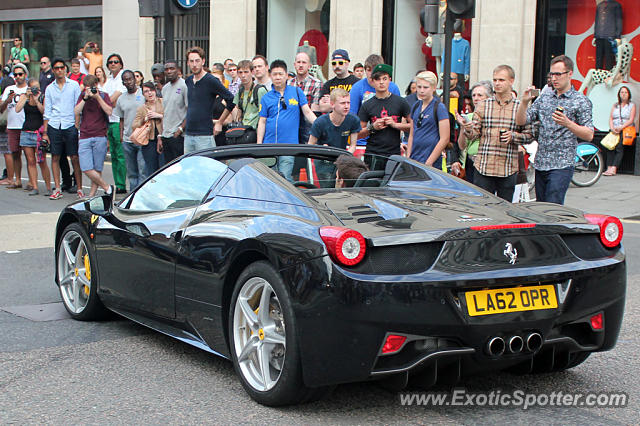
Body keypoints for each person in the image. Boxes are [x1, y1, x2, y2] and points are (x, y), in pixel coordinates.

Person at [516, 55, 594, 205]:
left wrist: (568, 123)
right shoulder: (545, 98)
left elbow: (589, 134)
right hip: (541, 162)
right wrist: (524, 102)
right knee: (541, 207)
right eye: (552, 74)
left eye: (558, 74)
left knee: (553, 206)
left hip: (562, 163)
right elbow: (521, 121)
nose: (554, 78)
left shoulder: (580, 101)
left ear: (570, 74)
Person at [463, 64, 533, 202]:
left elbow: (529, 135)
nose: (497, 83)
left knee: (504, 211)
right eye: (495, 80)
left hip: (507, 167)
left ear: (511, 81)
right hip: (483, 166)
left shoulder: (519, 106)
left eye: (501, 80)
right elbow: (474, 135)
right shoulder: (484, 105)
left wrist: (513, 136)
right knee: (483, 208)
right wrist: (467, 127)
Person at [257, 59, 316, 180]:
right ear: (270, 75)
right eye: (275, 74)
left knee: (285, 178)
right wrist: (259, 144)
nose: (278, 77)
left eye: (281, 74)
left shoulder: (296, 92)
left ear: (286, 75)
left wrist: (320, 125)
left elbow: (308, 112)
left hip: (289, 145)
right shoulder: (266, 97)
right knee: (270, 179)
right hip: (269, 145)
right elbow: (262, 121)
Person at [357, 64, 411, 171]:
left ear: (389, 80)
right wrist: (372, 127)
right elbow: (357, 133)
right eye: (378, 79)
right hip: (373, 154)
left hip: (394, 155)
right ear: (372, 81)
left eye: (384, 78)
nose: (381, 82)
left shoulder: (400, 102)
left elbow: (414, 126)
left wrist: (395, 125)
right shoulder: (367, 105)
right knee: (372, 185)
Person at [42, 58, 82, 200]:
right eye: (56, 68)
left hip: (70, 124)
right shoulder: (49, 88)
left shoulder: (74, 85)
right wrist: (45, 133)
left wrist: (76, 127)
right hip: (54, 124)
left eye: (61, 68)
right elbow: (47, 111)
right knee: (55, 157)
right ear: (53, 70)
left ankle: (80, 188)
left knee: (75, 157)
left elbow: (78, 107)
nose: (59, 70)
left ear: (66, 69)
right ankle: (57, 188)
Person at [184, 46, 235, 153]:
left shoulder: (211, 80)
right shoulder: (188, 81)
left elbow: (231, 99)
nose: (194, 64)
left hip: (204, 135)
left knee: (206, 167)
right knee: (189, 168)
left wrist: (220, 122)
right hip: (188, 134)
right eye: (191, 61)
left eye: (197, 61)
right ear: (188, 63)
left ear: (203, 61)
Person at [73, 74, 113, 197]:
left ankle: (92, 195)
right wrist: (85, 98)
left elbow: (109, 111)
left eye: (91, 87)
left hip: (100, 135)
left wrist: (97, 97)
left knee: (97, 168)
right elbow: (76, 112)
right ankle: (107, 187)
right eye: (86, 87)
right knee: (85, 167)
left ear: (96, 85)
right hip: (85, 135)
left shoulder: (103, 96)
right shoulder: (82, 96)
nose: (89, 90)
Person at [15, 79, 52, 195]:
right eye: (33, 88)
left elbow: (44, 112)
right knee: (30, 161)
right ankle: (35, 186)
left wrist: (36, 100)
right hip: (26, 131)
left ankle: (48, 187)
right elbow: (17, 109)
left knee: (42, 161)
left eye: (37, 88)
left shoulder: (42, 97)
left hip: (38, 133)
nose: (36, 90)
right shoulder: (24, 97)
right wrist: (26, 96)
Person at [406, 71, 450, 168]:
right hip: (414, 158)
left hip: (431, 160)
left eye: (425, 87)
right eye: (419, 87)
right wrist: (408, 156)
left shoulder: (439, 107)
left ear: (434, 88)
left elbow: (445, 138)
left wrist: (429, 162)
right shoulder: (416, 106)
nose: (421, 91)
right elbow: (412, 134)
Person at [114, 70, 145, 191]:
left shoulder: (143, 94)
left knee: (142, 170)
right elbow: (121, 119)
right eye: (125, 80)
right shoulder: (121, 99)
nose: (128, 82)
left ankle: (141, 196)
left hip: (141, 139)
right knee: (132, 173)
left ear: (135, 79)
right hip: (127, 140)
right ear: (123, 82)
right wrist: (121, 136)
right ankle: (132, 196)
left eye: (130, 79)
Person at [456, 80, 493, 182]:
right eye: (474, 95)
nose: (476, 98)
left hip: (488, 162)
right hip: (471, 162)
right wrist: (463, 127)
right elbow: (462, 146)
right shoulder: (468, 117)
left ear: (489, 97)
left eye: (480, 95)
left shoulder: (493, 116)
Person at [0, 63, 29, 189]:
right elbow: (1, 109)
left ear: (25, 75)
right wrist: (7, 100)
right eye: (15, 74)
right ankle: (17, 180)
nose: (18, 77)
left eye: (20, 74)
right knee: (15, 154)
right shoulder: (8, 89)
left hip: (26, 126)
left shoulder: (28, 89)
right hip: (12, 126)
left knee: (29, 156)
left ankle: (31, 181)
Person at [103, 53, 127, 193]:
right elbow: (105, 97)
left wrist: (106, 102)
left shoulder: (122, 78)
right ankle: (118, 183)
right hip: (109, 120)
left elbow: (112, 99)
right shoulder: (109, 80)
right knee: (113, 154)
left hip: (118, 120)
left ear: (121, 64)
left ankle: (122, 185)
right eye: (110, 62)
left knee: (120, 155)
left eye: (116, 62)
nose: (113, 64)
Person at [309, 88, 360, 152]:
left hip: (341, 158)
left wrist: (345, 156)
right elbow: (310, 145)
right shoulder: (320, 122)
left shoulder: (353, 120)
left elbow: (353, 146)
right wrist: (321, 149)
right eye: (342, 103)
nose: (346, 106)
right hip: (322, 157)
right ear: (332, 104)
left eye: (348, 103)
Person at [231, 59, 268, 143]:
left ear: (252, 72)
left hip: (255, 132)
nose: (243, 75)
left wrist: (260, 141)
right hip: (243, 131)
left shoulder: (259, 90)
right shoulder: (240, 91)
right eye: (240, 72)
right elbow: (237, 110)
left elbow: (264, 116)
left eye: (246, 72)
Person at [288, 52, 322, 143]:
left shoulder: (317, 83)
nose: (301, 65)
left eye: (304, 62)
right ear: (294, 65)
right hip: (290, 125)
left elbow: (314, 110)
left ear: (309, 66)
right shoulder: (288, 83)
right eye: (298, 62)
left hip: (307, 126)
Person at [132, 81, 163, 177]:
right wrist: (144, 119)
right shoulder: (142, 108)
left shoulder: (163, 102)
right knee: (151, 171)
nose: (149, 93)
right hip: (149, 142)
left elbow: (172, 117)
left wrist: (159, 115)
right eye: (146, 91)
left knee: (163, 168)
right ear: (143, 94)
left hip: (163, 139)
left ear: (155, 91)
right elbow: (134, 125)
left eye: (151, 90)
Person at [160, 59, 188, 163]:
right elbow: (165, 111)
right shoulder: (165, 88)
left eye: (172, 68)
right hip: (166, 135)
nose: (169, 71)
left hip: (178, 135)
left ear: (178, 70)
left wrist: (180, 129)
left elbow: (189, 110)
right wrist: (161, 135)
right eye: (166, 69)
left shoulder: (184, 85)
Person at [604, 86, 635, 176]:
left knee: (619, 147)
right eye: (622, 92)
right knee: (610, 147)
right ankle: (608, 167)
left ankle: (614, 168)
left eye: (625, 92)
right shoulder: (615, 105)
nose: (623, 94)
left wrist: (621, 127)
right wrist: (612, 127)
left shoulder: (632, 105)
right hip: (614, 128)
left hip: (625, 129)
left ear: (629, 94)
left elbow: (631, 119)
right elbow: (611, 117)